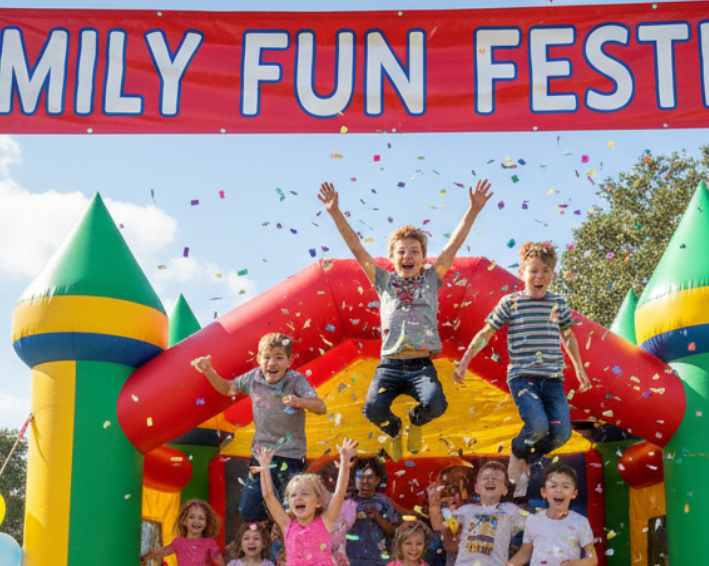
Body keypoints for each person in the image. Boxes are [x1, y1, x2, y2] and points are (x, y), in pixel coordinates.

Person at [318, 178, 492, 460]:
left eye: (414, 251)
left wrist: (473, 210)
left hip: (420, 364)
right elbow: (356, 249)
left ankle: (414, 419)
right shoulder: (383, 280)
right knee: (372, 409)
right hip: (389, 365)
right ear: (391, 257)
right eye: (401, 251)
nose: (407, 255)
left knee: (436, 403)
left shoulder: (431, 279)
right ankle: (395, 429)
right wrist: (335, 212)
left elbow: (453, 246)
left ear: (423, 258)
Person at [452, 240, 592, 495]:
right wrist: (464, 362)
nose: (539, 276)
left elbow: (568, 336)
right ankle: (518, 450)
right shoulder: (511, 303)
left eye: (545, 271)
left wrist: (579, 368)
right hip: (522, 376)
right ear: (522, 273)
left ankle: (526, 457)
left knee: (562, 433)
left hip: (552, 378)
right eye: (534, 270)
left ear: (553, 274)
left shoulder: (557, 303)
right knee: (538, 425)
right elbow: (486, 332)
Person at [192, 332, 327, 522]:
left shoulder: (295, 380)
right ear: (258, 359)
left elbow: (321, 407)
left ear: (289, 361)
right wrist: (208, 371)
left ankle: (293, 536)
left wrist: (299, 401)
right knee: (248, 512)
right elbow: (227, 388)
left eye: (279, 358)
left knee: (294, 509)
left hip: (291, 456)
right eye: (267, 357)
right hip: (261, 455)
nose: (272, 363)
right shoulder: (253, 379)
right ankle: (278, 522)